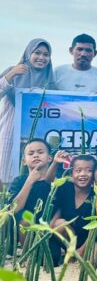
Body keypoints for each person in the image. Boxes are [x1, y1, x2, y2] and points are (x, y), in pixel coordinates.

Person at [0, 39, 55, 184]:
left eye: (46, 54)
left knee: (31, 177)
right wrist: (9, 76)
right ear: (28, 53)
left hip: (35, 136)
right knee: (5, 176)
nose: (42, 58)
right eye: (37, 53)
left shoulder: (50, 81)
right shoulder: (14, 71)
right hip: (10, 133)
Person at [49, 155, 97, 265]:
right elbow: (48, 182)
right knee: (59, 224)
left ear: (94, 175)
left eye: (89, 170)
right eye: (78, 170)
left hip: (88, 241)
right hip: (67, 240)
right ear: (71, 174)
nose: (83, 174)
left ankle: (78, 254)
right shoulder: (65, 188)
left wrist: (81, 251)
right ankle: (69, 253)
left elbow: (95, 230)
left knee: (95, 260)